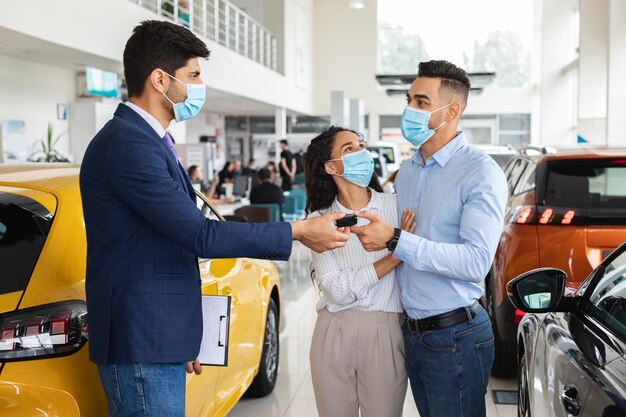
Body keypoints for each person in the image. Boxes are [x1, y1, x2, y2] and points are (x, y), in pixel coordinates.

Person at [79, 20, 350, 417]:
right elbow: (198, 234)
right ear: (159, 79)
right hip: (141, 341)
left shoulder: (146, 142)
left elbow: (160, 244)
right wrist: (297, 231)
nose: (199, 85)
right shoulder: (128, 144)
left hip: (157, 337)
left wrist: (181, 336)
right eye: (193, 75)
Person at [351, 60, 508, 417]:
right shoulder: (408, 171)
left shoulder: (480, 172)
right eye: (408, 99)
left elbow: (475, 262)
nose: (409, 109)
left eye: (421, 101)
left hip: (455, 335)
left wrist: (395, 239)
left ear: (451, 110)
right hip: (411, 332)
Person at [304, 126, 415, 417]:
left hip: (386, 329)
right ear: (330, 166)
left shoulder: (395, 205)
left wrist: (398, 247)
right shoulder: (319, 220)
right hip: (332, 331)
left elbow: (421, 250)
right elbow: (336, 290)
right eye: (348, 149)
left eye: (361, 146)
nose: (361, 153)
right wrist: (396, 254)